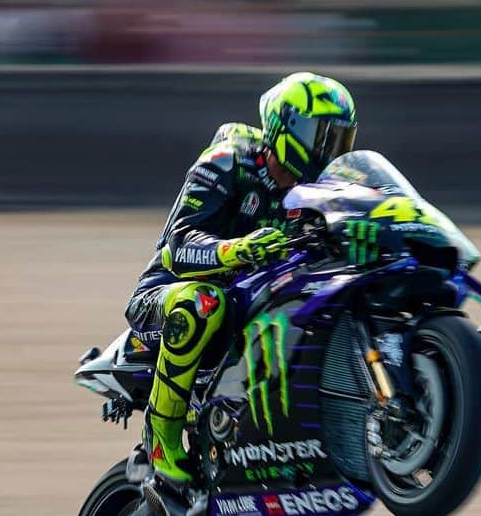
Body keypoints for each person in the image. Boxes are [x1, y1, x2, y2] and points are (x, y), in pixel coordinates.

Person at [124, 71, 357, 488]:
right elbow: (174, 246)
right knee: (201, 304)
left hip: (249, 300)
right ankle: (162, 434)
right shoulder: (229, 160)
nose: (327, 151)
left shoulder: (317, 190)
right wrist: (238, 249)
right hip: (167, 293)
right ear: (285, 127)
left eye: (337, 140)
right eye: (320, 136)